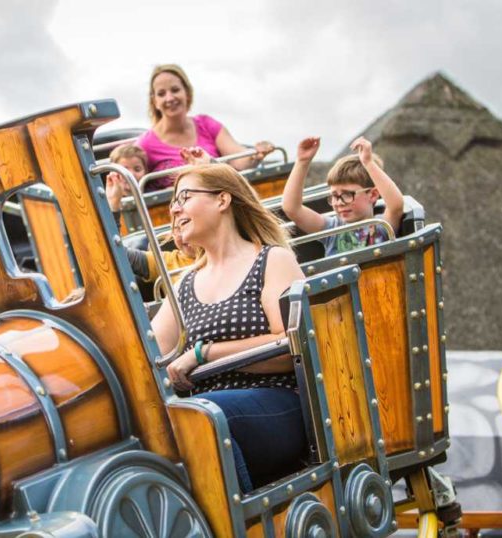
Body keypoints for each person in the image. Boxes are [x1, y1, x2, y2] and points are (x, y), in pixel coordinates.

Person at [151, 163, 307, 492]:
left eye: (185, 197)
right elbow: (149, 356)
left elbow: (291, 346)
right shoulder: (184, 284)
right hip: (205, 410)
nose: (175, 208)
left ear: (223, 200)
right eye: (173, 202)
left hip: (277, 403)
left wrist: (203, 353)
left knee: (200, 419)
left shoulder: (272, 260)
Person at [137, 64, 275, 191]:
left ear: (187, 93)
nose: (169, 98)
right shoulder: (145, 144)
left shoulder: (207, 124)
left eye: (175, 90)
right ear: (154, 101)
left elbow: (239, 161)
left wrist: (256, 154)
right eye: (161, 94)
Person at [281, 136, 404, 256]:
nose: (339, 202)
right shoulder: (333, 229)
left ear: (372, 195)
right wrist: (302, 162)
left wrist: (368, 163)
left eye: (346, 195)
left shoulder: (382, 227)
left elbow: (396, 205)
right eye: (334, 196)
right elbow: (292, 209)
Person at [105, 144, 196, 281]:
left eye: (186, 223)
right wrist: (113, 206)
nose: (183, 235)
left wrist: (205, 168)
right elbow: (116, 254)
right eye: (176, 228)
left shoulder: (232, 254)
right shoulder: (168, 262)